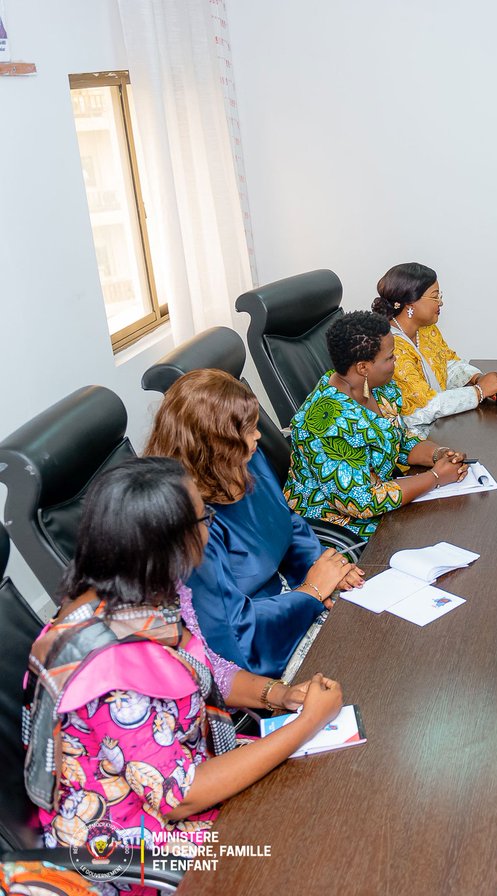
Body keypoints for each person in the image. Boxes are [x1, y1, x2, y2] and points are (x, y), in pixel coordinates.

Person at [26, 458, 345, 891]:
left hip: (184, 774)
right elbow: (180, 796)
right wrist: (308, 724)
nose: (210, 528)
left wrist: (281, 696)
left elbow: (209, 671)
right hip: (130, 850)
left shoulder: (146, 594)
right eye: (204, 517)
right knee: (310, 851)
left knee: (325, 795)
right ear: (170, 542)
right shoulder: (110, 672)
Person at [145, 369, 362, 679]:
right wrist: (311, 592)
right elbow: (231, 636)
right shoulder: (191, 523)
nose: (258, 435)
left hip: (295, 598)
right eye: (247, 429)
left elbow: (286, 523)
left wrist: (325, 568)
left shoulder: (245, 460)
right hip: (266, 644)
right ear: (216, 444)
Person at [285, 311, 469, 539]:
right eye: (390, 357)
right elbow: (361, 502)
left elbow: (398, 440)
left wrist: (438, 454)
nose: (396, 361)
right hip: (337, 529)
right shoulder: (327, 422)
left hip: (384, 501)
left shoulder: (379, 387)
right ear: (363, 367)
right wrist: (435, 478)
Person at [373, 262, 497, 436]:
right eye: (435, 297)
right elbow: (423, 407)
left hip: (441, 426)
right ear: (410, 303)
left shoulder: (425, 329)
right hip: (413, 440)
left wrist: (477, 378)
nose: (440, 302)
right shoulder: (390, 346)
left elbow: (447, 364)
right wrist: (479, 392)